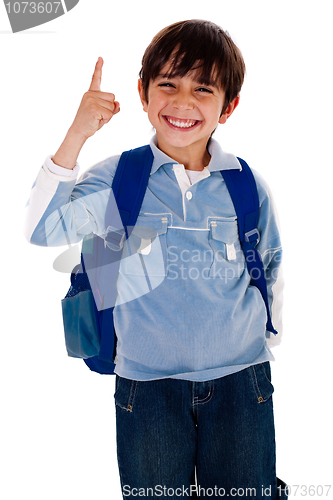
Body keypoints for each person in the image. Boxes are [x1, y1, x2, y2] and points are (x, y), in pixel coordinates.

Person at [24, 19, 287, 500]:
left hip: (241, 382)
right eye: (167, 84)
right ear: (143, 93)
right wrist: (78, 134)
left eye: (202, 88)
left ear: (228, 106)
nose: (183, 102)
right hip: (146, 388)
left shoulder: (244, 185)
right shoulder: (120, 180)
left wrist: (270, 335)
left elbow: (267, 266)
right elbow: (42, 228)